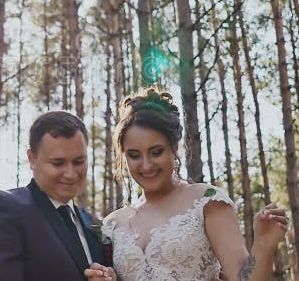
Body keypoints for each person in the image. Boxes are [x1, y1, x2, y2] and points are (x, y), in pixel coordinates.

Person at [85, 87, 288, 281]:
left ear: (175, 147)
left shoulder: (207, 201)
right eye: (134, 155)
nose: (146, 166)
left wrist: (262, 245)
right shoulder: (112, 224)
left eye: (156, 152)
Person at [0, 111, 116, 281]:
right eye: (58, 163)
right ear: (32, 159)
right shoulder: (1, 210)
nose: (71, 173)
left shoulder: (94, 224)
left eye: (78, 162)